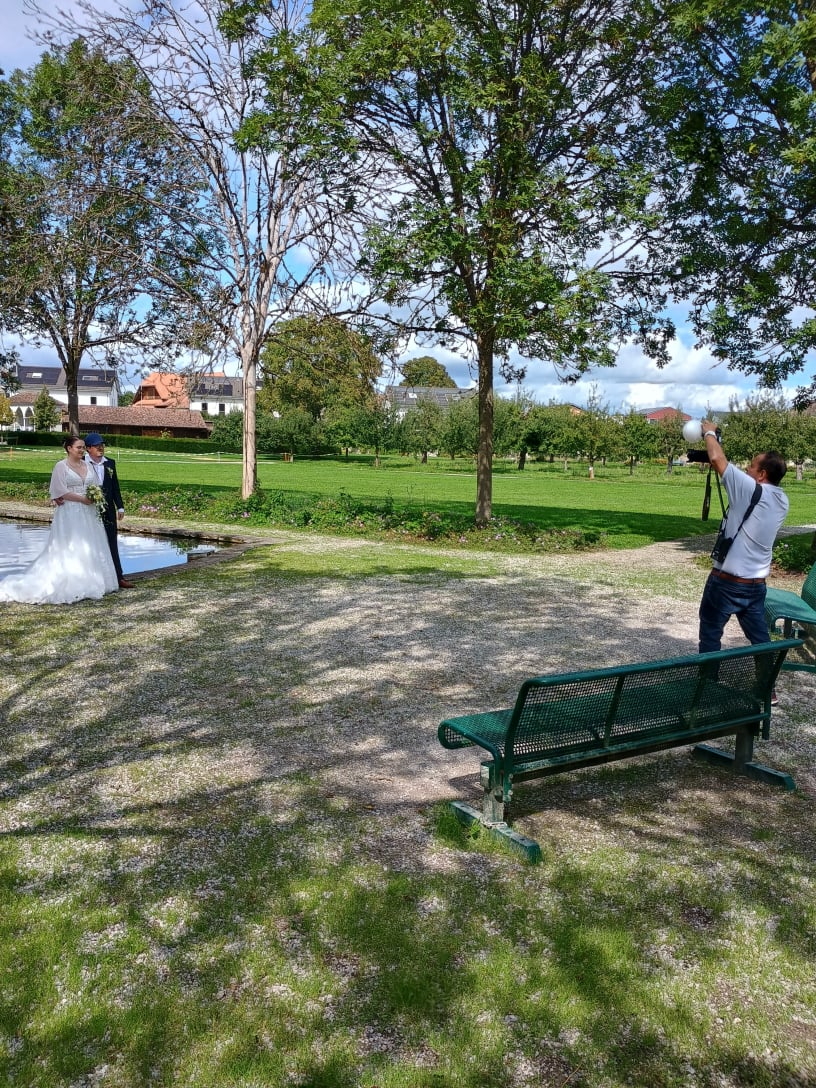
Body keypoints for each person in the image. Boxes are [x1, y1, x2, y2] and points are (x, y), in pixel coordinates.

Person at [697, 422, 789, 679]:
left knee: (711, 632)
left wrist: (709, 431)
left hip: (726, 582)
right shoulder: (782, 499)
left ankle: (708, 683)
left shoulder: (750, 490)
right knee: (759, 637)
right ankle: (766, 687)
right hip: (755, 584)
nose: (747, 469)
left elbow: (716, 457)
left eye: (751, 466)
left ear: (761, 475)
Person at [0, 435, 119, 604]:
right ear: (69, 448)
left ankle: (94, 580)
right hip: (70, 512)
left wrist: (94, 497)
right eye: (79, 447)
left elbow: (96, 485)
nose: (82, 450)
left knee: (91, 543)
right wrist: (82, 499)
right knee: (72, 544)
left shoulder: (88, 465)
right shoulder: (61, 466)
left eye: (83, 447)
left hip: (89, 513)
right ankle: (71, 582)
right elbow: (59, 490)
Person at [83, 432, 135, 589]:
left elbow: (115, 487)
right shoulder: (82, 464)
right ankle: (92, 578)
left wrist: (120, 506)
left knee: (112, 541)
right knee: (91, 542)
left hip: (108, 510)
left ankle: (118, 576)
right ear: (88, 449)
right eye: (97, 445)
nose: (100, 448)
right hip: (89, 508)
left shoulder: (110, 463)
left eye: (102, 445)